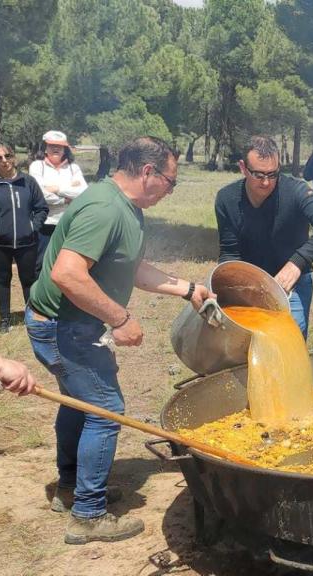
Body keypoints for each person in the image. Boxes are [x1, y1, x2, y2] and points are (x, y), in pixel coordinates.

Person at [25, 136, 214, 545]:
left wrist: (188, 288)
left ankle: (72, 487)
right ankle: (88, 515)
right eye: (170, 180)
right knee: (106, 409)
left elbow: (130, 266)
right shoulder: (105, 208)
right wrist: (121, 318)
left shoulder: (127, 208)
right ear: (147, 172)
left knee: (80, 405)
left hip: (73, 324)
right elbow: (67, 274)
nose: (170, 188)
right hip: (63, 326)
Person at [215, 135, 313, 340]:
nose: (266, 182)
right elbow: (230, 251)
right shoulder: (226, 198)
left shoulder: (295, 190)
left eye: (273, 174)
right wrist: (229, 290)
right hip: (249, 283)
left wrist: (297, 263)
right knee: (249, 341)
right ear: (243, 167)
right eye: (258, 174)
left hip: (292, 284)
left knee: (292, 337)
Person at [0, 143, 49, 334]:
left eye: (7, 156)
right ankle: (5, 320)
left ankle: (32, 318)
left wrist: (33, 226)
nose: (4, 161)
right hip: (0, 243)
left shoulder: (28, 182)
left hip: (27, 241)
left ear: (13, 157)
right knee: (2, 278)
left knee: (29, 280)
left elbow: (41, 208)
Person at [29, 130, 89, 274]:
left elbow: (84, 192)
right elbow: (40, 195)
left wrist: (57, 189)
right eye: (52, 145)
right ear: (45, 147)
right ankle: (39, 296)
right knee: (41, 265)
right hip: (46, 224)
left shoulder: (73, 168)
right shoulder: (37, 166)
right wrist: (66, 198)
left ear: (65, 149)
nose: (56, 149)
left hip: (69, 224)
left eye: (60, 146)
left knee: (66, 265)